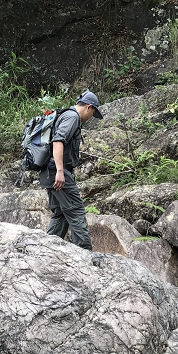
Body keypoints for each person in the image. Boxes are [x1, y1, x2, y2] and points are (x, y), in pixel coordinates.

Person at [39, 90, 103, 250]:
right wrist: (60, 171)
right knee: (76, 210)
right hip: (56, 170)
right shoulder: (72, 117)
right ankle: (85, 253)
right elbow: (58, 141)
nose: (91, 117)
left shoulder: (64, 115)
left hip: (48, 171)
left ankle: (47, 250)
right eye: (93, 113)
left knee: (61, 214)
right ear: (89, 107)